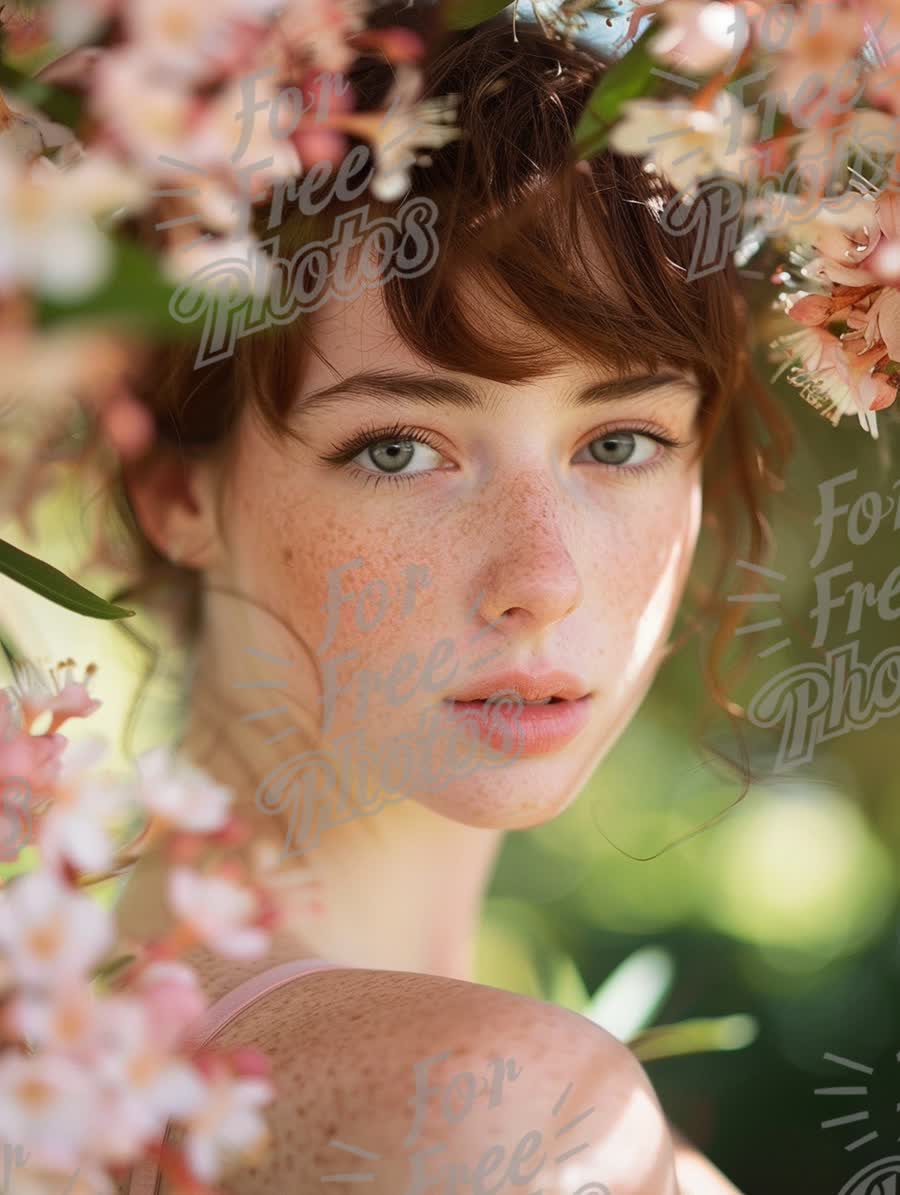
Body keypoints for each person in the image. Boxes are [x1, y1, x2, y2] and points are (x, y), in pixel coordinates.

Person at [71, 2, 793, 1191]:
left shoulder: (65, 1031)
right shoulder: (509, 1119)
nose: (542, 578)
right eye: (399, 448)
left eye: (620, 442)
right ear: (174, 490)